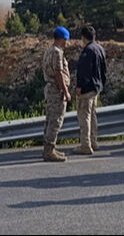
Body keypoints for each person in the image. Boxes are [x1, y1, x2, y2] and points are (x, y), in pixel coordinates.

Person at [41, 26, 72, 162]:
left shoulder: (49, 50)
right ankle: (49, 151)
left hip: (50, 89)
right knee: (56, 120)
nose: (67, 42)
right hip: (56, 90)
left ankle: (50, 148)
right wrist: (65, 91)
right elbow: (59, 72)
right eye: (66, 39)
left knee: (50, 119)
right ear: (62, 38)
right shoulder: (57, 52)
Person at [74, 26, 106, 155]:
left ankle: (85, 145)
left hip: (87, 88)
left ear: (83, 37)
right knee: (92, 115)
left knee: (84, 116)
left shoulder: (87, 51)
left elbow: (84, 71)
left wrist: (80, 86)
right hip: (96, 87)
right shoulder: (100, 49)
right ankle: (94, 142)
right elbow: (104, 70)